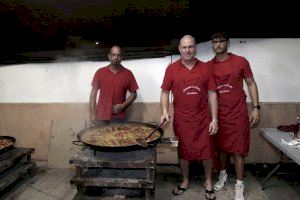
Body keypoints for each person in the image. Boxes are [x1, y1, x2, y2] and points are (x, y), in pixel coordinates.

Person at [160, 35, 218, 200]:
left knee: (207, 151)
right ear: (179, 49)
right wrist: (164, 111)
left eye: (190, 47)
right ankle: (185, 181)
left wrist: (215, 119)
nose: (187, 50)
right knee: (183, 151)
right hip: (182, 119)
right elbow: (165, 92)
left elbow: (212, 93)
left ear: (195, 48)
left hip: (203, 118)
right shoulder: (171, 68)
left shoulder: (206, 68)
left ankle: (208, 182)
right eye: (184, 47)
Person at [208, 31, 260, 200]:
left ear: (227, 43)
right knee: (221, 149)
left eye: (221, 41)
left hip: (238, 114)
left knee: (238, 151)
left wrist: (256, 107)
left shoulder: (240, 61)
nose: (218, 44)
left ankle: (239, 184)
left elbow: (251, 83)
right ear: (212, 44)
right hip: (218, 114)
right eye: (214, 41)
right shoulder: (209, 66)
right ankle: (223, 175)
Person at [89, 45, 139, 125]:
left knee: (118, 137)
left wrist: (123, 106)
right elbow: (93, 94)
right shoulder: (100, 72)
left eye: (118, 55)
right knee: (99, 137)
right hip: (100, 116)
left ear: (121, 57)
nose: (116, 57)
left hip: (118, 117)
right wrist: (92, 113)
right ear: (109, 56)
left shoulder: (128, 73)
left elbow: (134, 94)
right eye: (113, 55)